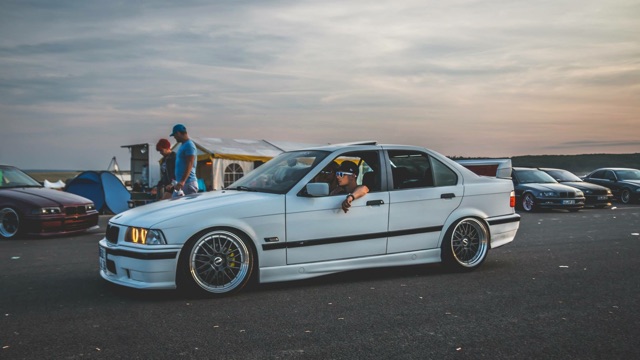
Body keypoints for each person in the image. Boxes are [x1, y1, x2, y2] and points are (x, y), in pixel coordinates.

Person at [170, 124, 198, 195]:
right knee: (175, 204)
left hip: (188, 183)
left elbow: (190, 163)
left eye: (174, 135)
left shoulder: (189, 145)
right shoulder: (183, 145)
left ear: (178, 133)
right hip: (181, 183)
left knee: (186, 205)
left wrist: (182, 181)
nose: (174, 137)